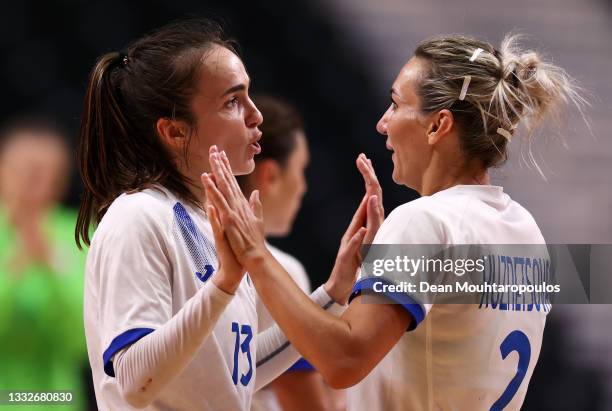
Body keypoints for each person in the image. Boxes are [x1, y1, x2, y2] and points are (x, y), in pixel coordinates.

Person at [201, 33, 587, 410]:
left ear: (438, 125)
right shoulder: (526, 230)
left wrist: (256, 254)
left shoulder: (424, 220)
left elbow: (344, 361)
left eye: (396, 104)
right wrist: (343, 287)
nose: (382, 123)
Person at [77, 19, 381, 410]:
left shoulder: (204, 221)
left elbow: (228, 375)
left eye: (249, 96)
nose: (256, 116)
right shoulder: (138, 216)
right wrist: (222, 285)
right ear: (175, 132)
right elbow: (134, 379)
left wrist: (334, 291)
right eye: (233, 101)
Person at [238, 95, 345, 411]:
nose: (303, 187)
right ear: (270, 175)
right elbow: (303, 402)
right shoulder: (279, 268)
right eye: (302, 170)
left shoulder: (186, 242)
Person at [0, 117, 89, 410]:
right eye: (22, 170)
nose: (30, 182)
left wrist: (54, 263)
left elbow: (87, 338)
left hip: (58, 399)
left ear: (61, 179)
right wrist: (16, 268)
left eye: (41, 173)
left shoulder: (80, 235)